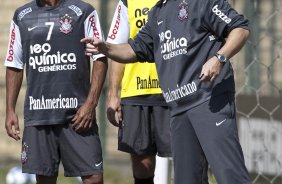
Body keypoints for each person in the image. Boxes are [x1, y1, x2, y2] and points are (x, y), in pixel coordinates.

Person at [81, 0, 253, 183]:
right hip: (178, 109)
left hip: (208, 101)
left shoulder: (202, 2)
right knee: (186, 179)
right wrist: (105, 48)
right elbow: (133, 49)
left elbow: (240, 28)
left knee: (229, 174)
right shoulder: (158, 12)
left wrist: (219, 58)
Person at [4, 0, 107, 183]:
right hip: (39, 115)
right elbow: (14, 64)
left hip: (77, 115)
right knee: (44, 179)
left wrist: (91, 104)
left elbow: (100, 56)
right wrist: (10, 109)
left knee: (94, 178)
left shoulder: (83, 11)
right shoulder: (21, 15)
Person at [106, 0, 176, 184]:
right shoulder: (127, 2)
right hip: (136, 91)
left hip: (175, 90)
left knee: (185, 158)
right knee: (142, 164)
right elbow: (117, 46)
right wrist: (113, 94)